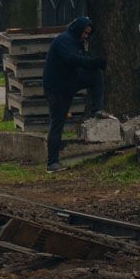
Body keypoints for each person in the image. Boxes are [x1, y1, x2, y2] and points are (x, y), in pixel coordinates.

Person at [42, 16, 107, 173]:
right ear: (78, 29)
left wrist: (93, 64)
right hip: (57, 88)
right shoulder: (63, 41)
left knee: (96, 75)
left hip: (70, 81)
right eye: (85, 32)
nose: (86, 36)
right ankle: (52, 163)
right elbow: (72, 60)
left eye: (88, 33)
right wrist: (91, 62)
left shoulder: (77, 42)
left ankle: (97, 109)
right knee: (58, 123)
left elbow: (80, 61)